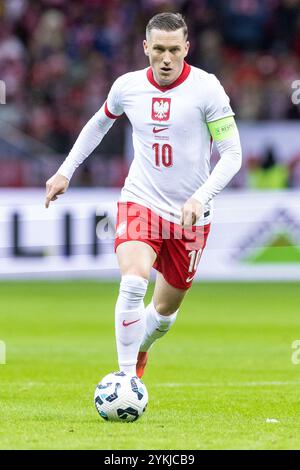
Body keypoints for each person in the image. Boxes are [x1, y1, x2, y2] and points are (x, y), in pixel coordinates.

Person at [45, 12, 242, 379]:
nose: (166, 59)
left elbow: (233, 154)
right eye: (158, 50)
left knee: (164, 315)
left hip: (191, 216)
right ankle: (125, 379)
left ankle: (141, 351)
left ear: (186, 48)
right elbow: (99, 123)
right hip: (141, 200)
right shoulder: (127, 86)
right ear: (145, 48)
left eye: (174, 50)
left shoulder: (207, 88)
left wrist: (200, 197)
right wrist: (64, 171)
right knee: (133, 281)